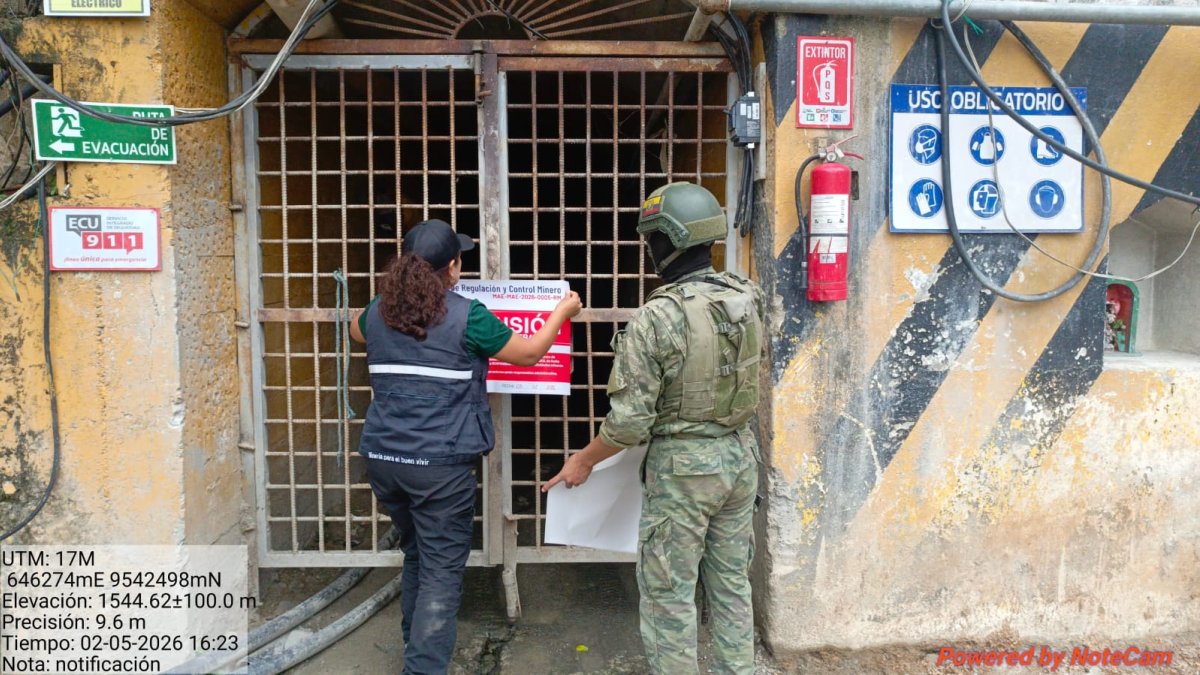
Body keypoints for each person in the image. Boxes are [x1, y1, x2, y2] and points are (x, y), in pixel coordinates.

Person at [543, 182, 765, 674]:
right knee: (731, 585)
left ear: (667, 241)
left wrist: (583, 459)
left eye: (652, 238)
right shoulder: (747, 297)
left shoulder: (657, 318)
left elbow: (629, 424)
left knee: (670, 596)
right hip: (740, 459)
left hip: (684, 472)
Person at [350, 218, 581, 675]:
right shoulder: (468, 315)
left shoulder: (377, 311)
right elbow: (531, 352)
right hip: (440, 467)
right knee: (440, 570)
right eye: (459, 260)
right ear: (452, 267)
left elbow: (357, 331)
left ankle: (412, 644)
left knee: (418, 553)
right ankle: (423, 668)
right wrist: (562, 311)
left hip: (384, 460)